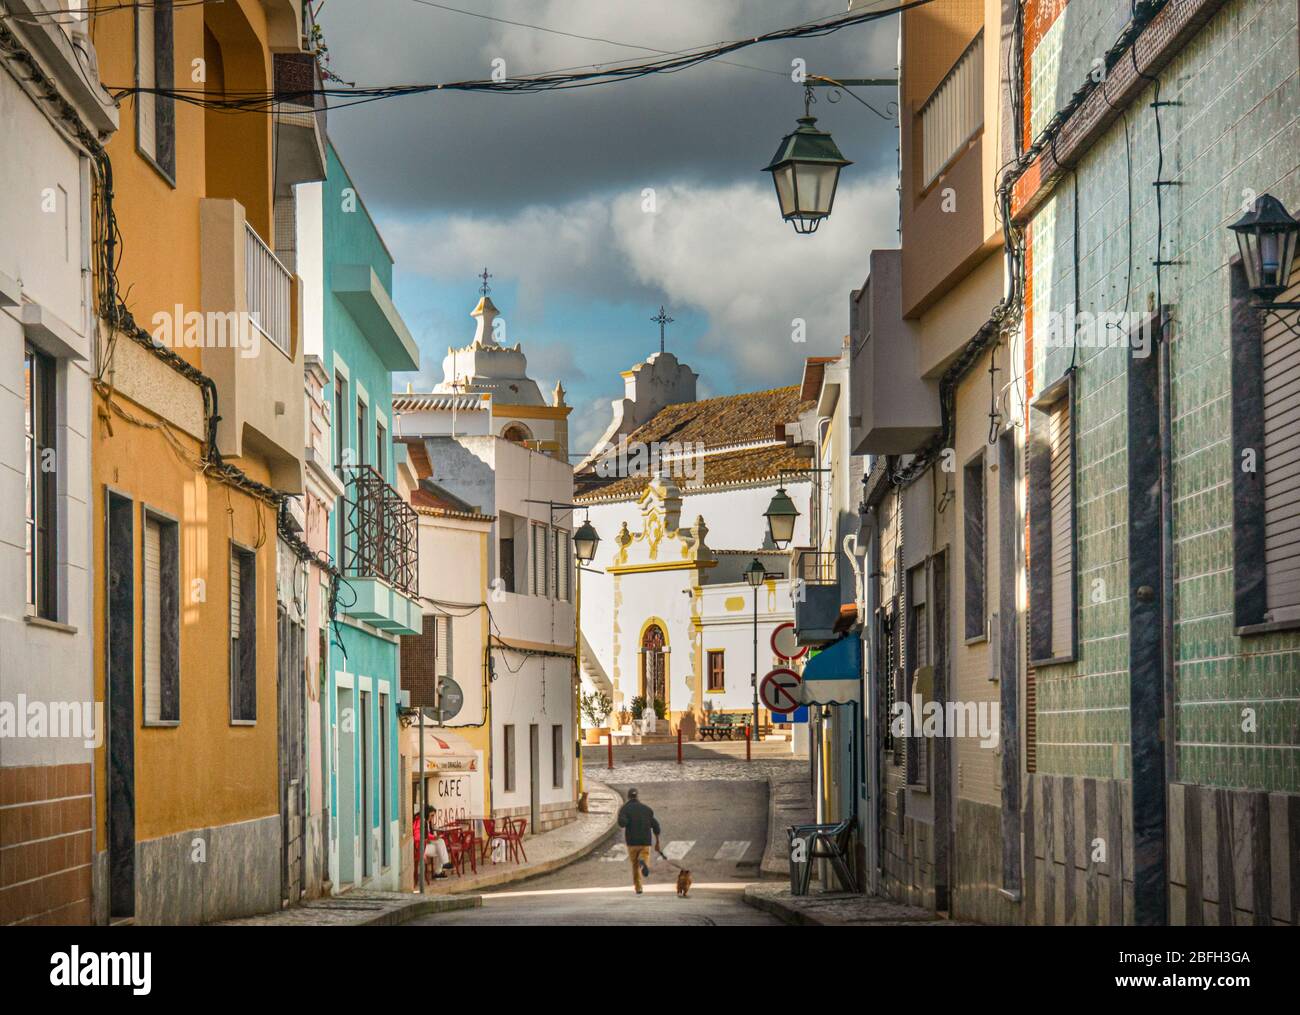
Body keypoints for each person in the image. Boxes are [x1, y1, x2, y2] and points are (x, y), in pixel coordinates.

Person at [616, 787, 661, 894]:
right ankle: (643, 861)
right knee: (644, 857)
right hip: (645, 841)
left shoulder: (625, 809)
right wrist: (658, 842)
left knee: (635, 866)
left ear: (628, 796)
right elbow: (656, 826)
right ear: (637, 796)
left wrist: (623, 817)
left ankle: (638, 887)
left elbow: (622, 823)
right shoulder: (647, 810)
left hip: (632, 842)